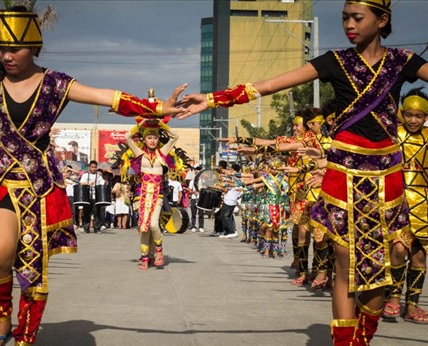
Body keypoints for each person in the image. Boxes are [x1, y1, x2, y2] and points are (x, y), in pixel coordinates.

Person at [0, 5, 186, 345]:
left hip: (39, 187)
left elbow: (107, 97)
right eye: (1, 48)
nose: (6, 55)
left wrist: (156, 109)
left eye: (14, 49)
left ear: (34, 48)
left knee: (32, 266)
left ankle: (26, 335)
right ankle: (1, 321)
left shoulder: (55, 83)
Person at [180, 1, 428, 343]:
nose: (349, 25)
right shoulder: (335, 61)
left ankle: (364, 335)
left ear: (382, 19)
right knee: (344, 261)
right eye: (344, 18)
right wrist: (212, 98)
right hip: (343, 170)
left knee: (383, 272)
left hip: (388, 174)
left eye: (357, 18)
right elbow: (269, 85)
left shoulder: (402, 61)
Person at [383, 87, 428, 323]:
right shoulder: (394, 135)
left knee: (420, 257)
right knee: (399, 249)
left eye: (419, 116)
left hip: (424, 206)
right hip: (397, 202)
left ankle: (412, 307)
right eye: (409, 115)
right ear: (403, 113)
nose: (413, 120)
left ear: (425, 117)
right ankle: (392, 299)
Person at [125, 118, 179, 270]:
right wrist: (141, 125)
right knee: (144, 227)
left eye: (155, 137)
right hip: (141, 194)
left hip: (157, 194)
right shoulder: (139, 153)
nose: (153, 140)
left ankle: (159, 251)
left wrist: (161, 124)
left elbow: (175, 137)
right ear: (144, 139)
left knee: (154, 224)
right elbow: (127, 137)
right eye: (149, 137)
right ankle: (144, 256)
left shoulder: (163, 153)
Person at [79, 161, 106, 233]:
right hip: (87, 197)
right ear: (89, 167)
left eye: (95, 167)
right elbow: (81, 183)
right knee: (86, 213)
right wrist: (88, 183)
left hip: (96, 197)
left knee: (97, 213)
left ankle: (97, 228)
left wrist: (106, 181)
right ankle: (86, 228)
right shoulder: (85, 175)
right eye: (92, 167)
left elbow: (103, 183)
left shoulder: (99, 176)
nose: (94, 169)